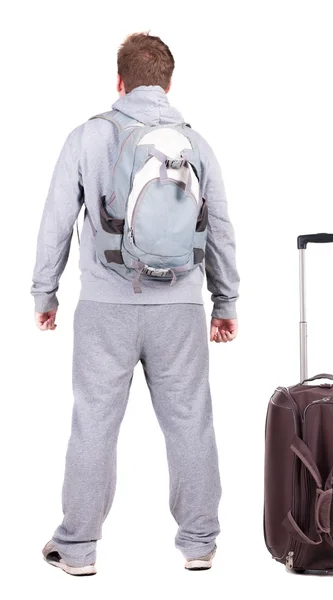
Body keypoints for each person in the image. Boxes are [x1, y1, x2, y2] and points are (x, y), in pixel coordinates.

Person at [32, 32, 239, 576]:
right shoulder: (196, 144)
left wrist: (45, 292)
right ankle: (199, 543)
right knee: (192, 421)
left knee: (94, 424)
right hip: (180, 311)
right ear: (169, 85)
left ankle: (77, 550)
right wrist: (226, 301)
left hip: (105, 308)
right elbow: (219, 228)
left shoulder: (87, 136)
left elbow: (56, 222)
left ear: (119, 82)